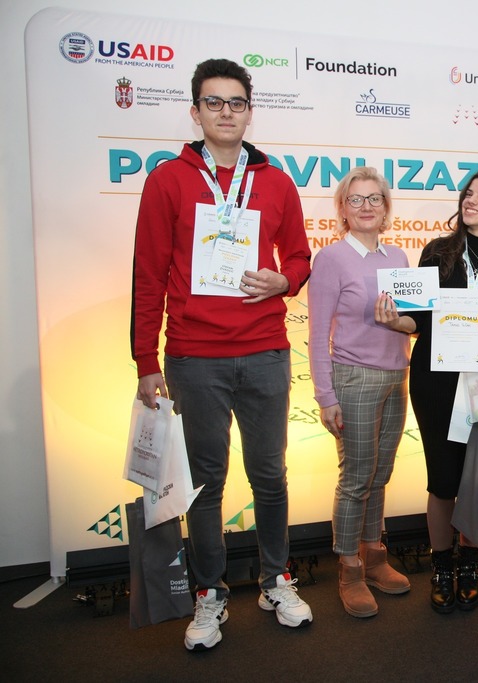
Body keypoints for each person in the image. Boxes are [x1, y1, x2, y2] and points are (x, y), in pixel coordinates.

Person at [131, 58, 312, 651]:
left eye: (236, 102)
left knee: (270, 475)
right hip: (194, 357)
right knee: (206, 485)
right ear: (196, 111)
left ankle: (276, 580)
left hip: (265, 351)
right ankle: (209, 593)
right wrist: (146, 360)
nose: (226, 112)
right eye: (214, 102)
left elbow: (300, 257)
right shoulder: (167, 180)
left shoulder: (276, 182)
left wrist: (284, 281)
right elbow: (148, 274)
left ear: (249, 112)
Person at [406, 169, 478, 613]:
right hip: (436, 381)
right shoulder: (437, 252)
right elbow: (418, 318)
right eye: (469, 194)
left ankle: (469, 565)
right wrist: (392, 319)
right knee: (442, 481)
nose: (471, 201)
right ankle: (441, 567)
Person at [308, 167, 414, 618]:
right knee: (356, 479)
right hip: (353, 378)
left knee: (381, 474)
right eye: (356, 199)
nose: (366, 206)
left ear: (386, 208)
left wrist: (399, 321)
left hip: (397, 377)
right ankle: (349, 568)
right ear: (343, 209)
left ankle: (374, 556)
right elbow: (317, 335)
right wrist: (325, 397)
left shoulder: (399, 257)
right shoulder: (331, 259)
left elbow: (413, 324)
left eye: (375, 198)